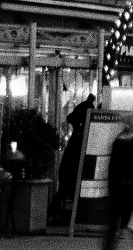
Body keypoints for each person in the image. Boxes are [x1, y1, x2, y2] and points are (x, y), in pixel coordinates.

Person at [103, 128, 133, 250]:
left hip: (121, 191)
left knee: (115, 226)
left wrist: (111, 188)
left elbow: (112, 168)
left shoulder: (118, 143)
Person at [51, 94, 95, 224]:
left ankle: (54, 213)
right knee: (65, 191)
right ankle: (56, 214)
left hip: (68, 169)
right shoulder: (80, 136)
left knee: (63, 191)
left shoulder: (77, 133)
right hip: (71, 170)